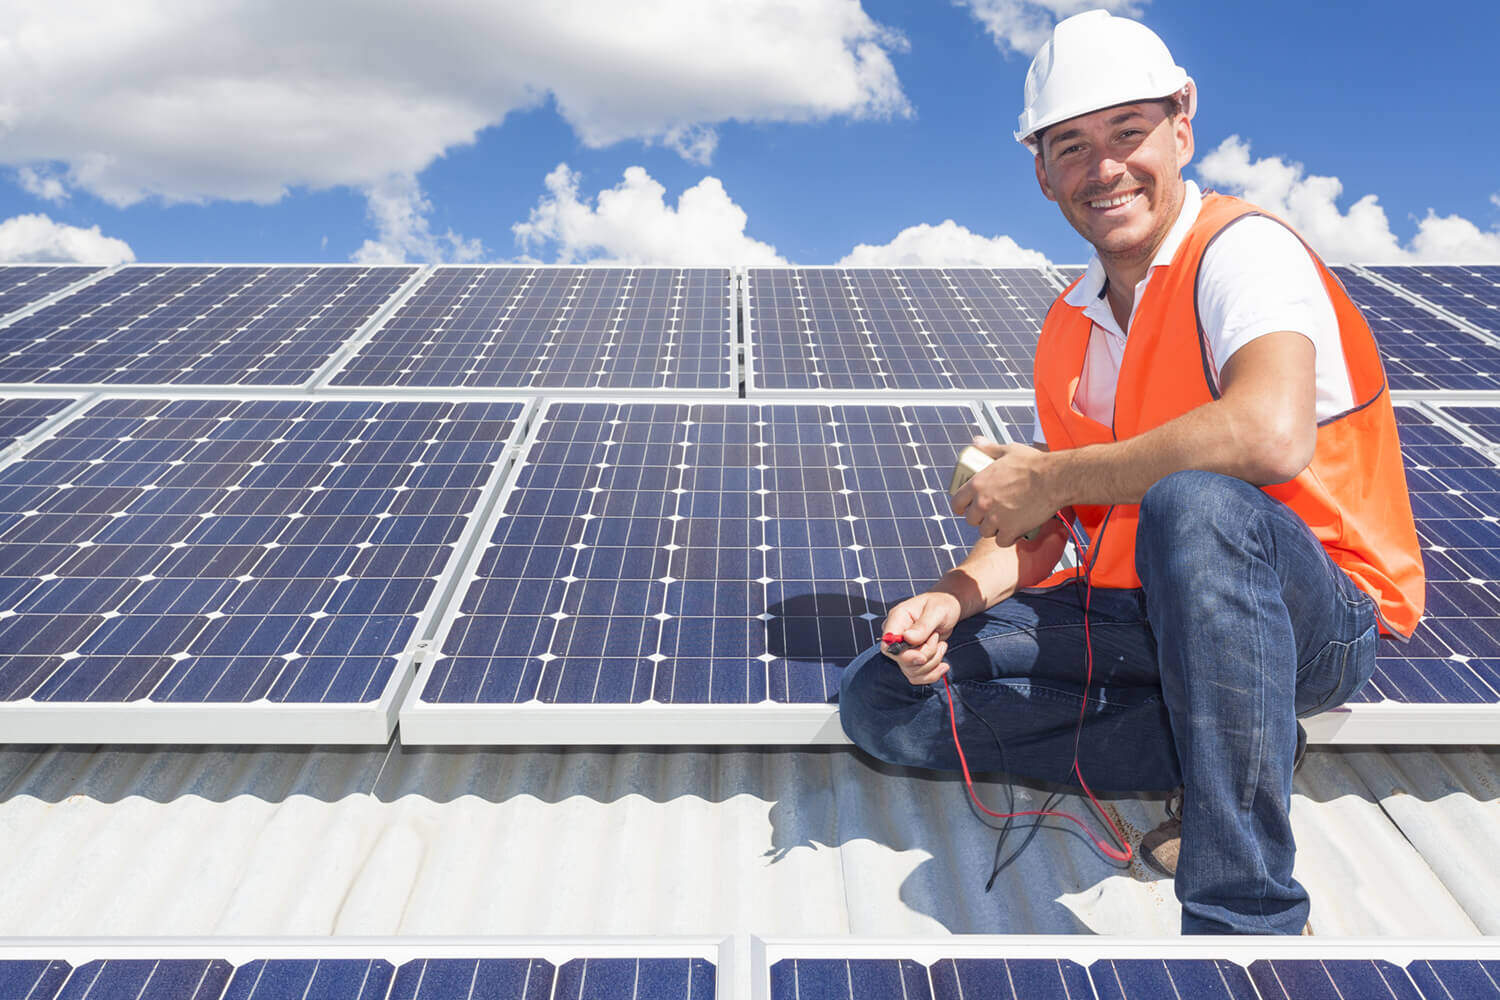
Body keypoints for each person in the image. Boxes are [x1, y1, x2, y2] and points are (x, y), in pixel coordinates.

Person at [837, 8, 1424, 935]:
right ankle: (1232, 740)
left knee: (1195, 507)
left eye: (1127, 131)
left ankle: (1245, 919)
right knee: (883, 700)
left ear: (1182, 124)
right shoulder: (1069, 325)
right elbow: (1056, 531)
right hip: (1145, 612)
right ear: (1041, 171)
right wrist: (950, 598)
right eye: (1070, 146)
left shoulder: (1244, 254)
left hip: (1312, 612)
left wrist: (1057, 474)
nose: (1103, 168)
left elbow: (1270, 435)